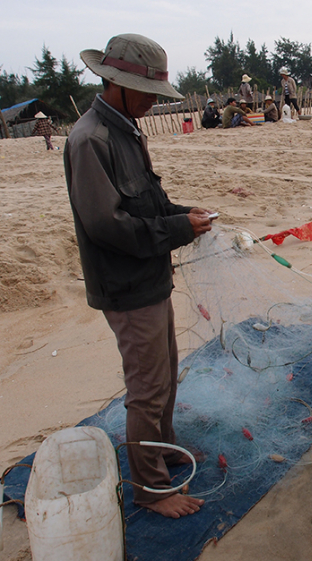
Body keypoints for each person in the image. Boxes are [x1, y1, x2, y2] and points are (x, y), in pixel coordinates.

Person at [64, 33, 211, 519]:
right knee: (147, 388)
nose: (151, 102)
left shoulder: (126, 127)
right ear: (114, 84)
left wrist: (186, 214)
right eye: (146, 91)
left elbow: (148, 201)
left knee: (165, 375)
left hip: (150, 277)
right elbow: (107, 225)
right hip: (125, 286)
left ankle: (165, 451)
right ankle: (151, 489)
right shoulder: (90, 140)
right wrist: (175, 228)